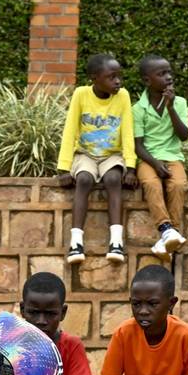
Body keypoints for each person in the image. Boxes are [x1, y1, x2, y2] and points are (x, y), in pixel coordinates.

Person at [57, 53, 138, 265]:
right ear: (94, 78)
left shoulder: (123, 96)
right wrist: (63, 168)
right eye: (111, 77)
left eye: (119, 76)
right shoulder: (81, 94)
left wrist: (130, 167)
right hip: (85, 154)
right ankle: (76, 243)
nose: (118, 81)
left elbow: (127, 132)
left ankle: (116, 242)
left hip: (112, 155)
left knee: (113, 179)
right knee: (84, 179)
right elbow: (70, 129)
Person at [133, 55, 188, 261]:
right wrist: (155, 164)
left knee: (178, 185)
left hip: (173, 156)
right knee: (151, 183)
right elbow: (138, 145)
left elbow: (183, 135)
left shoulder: (179, 102)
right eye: (162, 74)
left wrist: (170, 107)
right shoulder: (138, 109)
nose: (169, 77)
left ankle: (168, 235)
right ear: (147, 80)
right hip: (148, 158)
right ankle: (167, 229)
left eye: (169, 72)